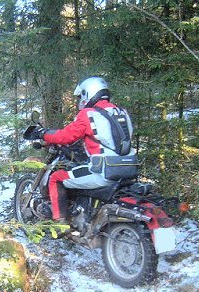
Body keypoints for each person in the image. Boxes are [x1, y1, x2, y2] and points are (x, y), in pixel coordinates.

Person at [30, 76, 133, 223]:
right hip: (129, 169)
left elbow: (65, 137)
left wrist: (42, 133)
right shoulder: (121, 112)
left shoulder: (89, 114)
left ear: (88, 93)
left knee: (56, 178)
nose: (80, 101)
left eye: (80, 97)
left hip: (104, 171)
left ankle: (61, 224)